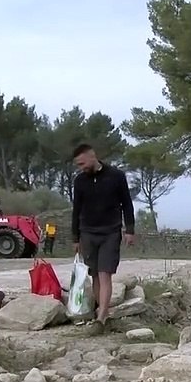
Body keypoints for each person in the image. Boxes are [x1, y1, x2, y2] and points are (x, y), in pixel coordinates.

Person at [70, 143, 135, 336]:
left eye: (82, 163)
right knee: (95, 274)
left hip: (111, 231)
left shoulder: (116, 176)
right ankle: (101, 311)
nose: (81, 167)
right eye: (78, 165)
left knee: (105, 273)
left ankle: (102, 317)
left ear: (92, 156)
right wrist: (75, 237)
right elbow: (76, 210)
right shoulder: (80, 181)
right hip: (88, 232)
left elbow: (127, 204)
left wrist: (130, 229)